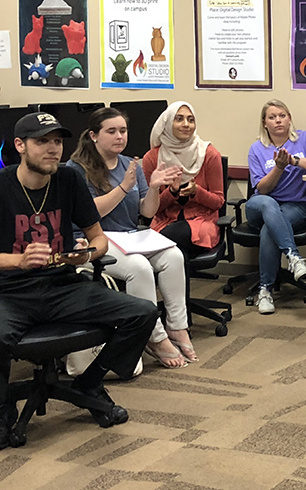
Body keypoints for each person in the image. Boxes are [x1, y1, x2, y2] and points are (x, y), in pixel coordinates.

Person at [0, 112, 157, 443]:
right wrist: (20, 260)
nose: (53, 149)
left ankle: (90, 382)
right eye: (42, 141)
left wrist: (87, 254)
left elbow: (98, 238)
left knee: (142, 313)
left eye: (57, 141)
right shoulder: (2, 186)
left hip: (62, 286)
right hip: (10, 291)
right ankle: (3, 408)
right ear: (20, 146)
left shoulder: (68, 181)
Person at [68, 108, 194, 368]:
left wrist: (156, 187)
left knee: (173, 256)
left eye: (123, 131)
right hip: (94, 240)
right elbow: (88, 214)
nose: (119, 137)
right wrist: (123, 187)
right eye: (111, 131)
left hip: (130, 236)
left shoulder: (130, 164)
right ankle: (154, 336)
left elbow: (146, 211)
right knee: (140, 267)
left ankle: (178, 327)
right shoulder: (76, 169)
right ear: (93, 135)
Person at [247, 99, 306, 314]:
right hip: (260, 205)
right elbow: (262, 189)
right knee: (267, 203)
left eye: (282, 115)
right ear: (265, 123)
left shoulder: (304, 139)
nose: (278, 121)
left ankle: (265, 291)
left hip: (296, 206)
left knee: (269, 230)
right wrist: (279, 168)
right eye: (272, 117)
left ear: (289, 118)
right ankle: (292, 255)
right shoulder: (257, 149)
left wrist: (295, 162)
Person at [143, 101, 225, 262]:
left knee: (171, 242)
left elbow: (218, 202)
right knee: (176, 250)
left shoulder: (208, 154)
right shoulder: (152, 158)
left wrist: (196, 192)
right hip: (165, 223)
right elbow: (151, 210)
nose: (186, 124)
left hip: (201, 224)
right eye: (179, 119)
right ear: (167, 123)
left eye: (190, 119)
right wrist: (171, 192)